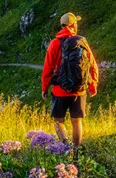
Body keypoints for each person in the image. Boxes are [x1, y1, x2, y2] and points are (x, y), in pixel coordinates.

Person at [41, 12, 99, 147]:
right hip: (79, 90)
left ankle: (65, 147)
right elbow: (92, 65)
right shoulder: (81, 42)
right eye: (76, 23)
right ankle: (76, 152)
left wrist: (45, 87)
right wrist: (93, 85)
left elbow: (48, 68)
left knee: (58, 121)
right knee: (77, 122)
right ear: (73, 25)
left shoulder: (55, 43)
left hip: (59, 90)